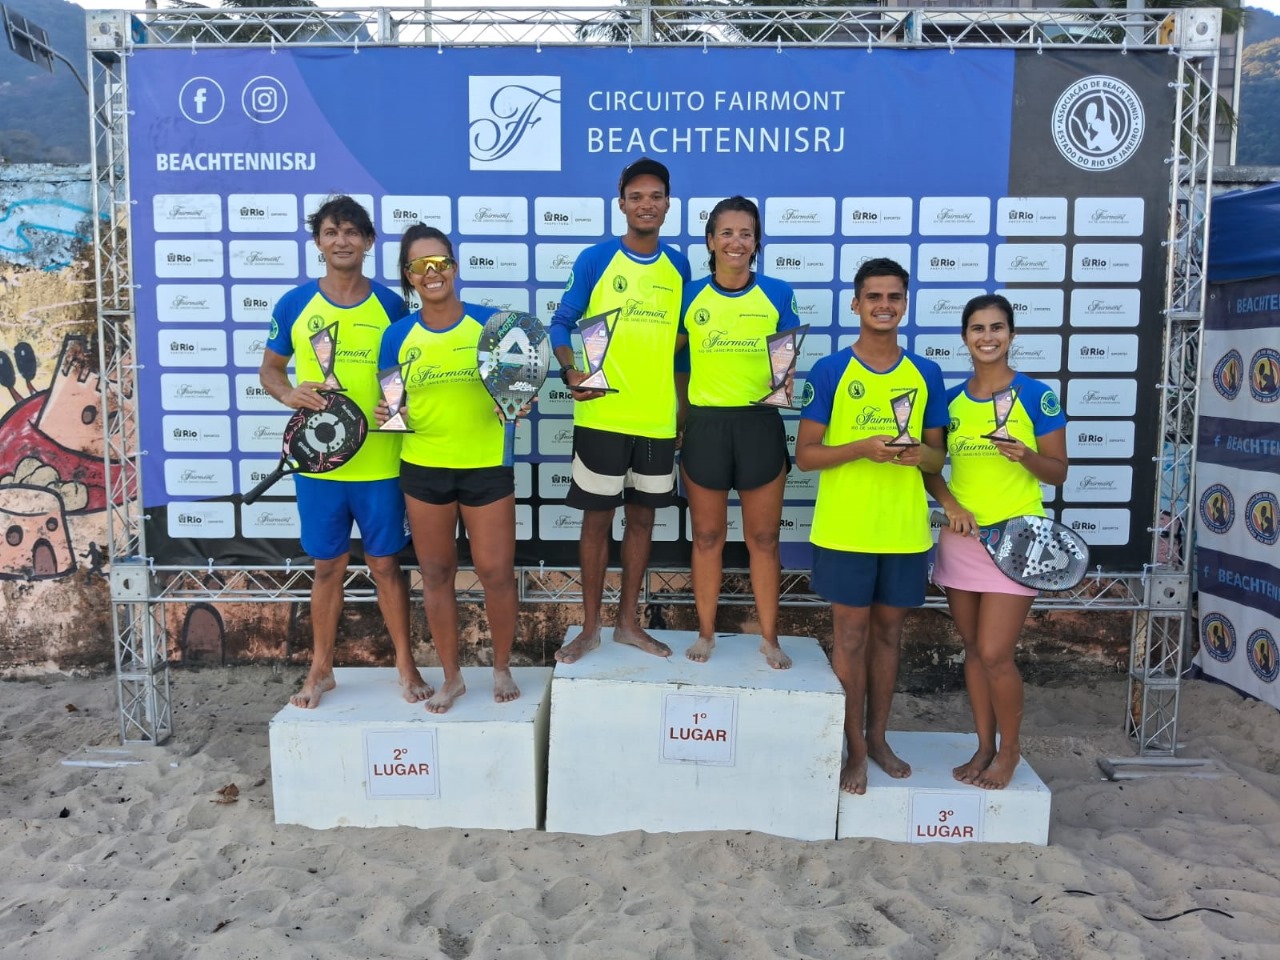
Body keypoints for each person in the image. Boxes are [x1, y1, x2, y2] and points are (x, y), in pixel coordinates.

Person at [259, 195, 430, 709]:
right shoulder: (294, 305)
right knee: (327, 566)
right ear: (318, 242)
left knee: (385, 566)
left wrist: (396, 412)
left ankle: (405, 665)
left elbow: (402, 377)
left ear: (369, 242)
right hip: (318, 465)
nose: (342, 241)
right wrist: (289, 394)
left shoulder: (392, 306)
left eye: (352, 232)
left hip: (380, 464)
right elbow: (271, 370)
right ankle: (321, 669)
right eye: (332, 232)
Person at [795, 257, 947, 795]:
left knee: (888, 636)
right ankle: (853, 749)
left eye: (894, 297)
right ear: (856, 304)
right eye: (874, 297)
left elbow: (937, 460)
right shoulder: (831, 370)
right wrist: (862, 448)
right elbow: (806, 456)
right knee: (850, 638)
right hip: (844, 530)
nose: (884, 306)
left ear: (905, 304)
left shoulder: (926, 373)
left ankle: (879, 738)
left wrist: (915, 456)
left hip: (904, 532)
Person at [549, 158, 691, 664]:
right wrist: (571, 374)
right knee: (596, 523)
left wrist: (682, 406)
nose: (646, 205)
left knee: (643, 523)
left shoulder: (679, 265)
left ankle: (628, 624)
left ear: (668, 204)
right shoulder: (596, 259)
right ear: (622, 203)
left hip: (655, 420)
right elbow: (561, 323)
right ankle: (589, 628)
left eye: (655, 196)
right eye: (636, 197)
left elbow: (684, 344)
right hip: (603, 416)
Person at [377, 224, 523, 713]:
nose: (432, 272)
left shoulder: (492, 325)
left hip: (485, 466)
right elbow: (392, 407)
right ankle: (453, 677)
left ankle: (501, 666)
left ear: (454, 269)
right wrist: (388, 415)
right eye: (421, 266)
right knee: (436, 574)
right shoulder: (397, 336)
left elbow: (520, 386)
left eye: (440, 262)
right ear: (409, 276)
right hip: (424, 469)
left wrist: (518, 403)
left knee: (496, 572)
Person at [925, 294, 1067, 790]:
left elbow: (1059, 471)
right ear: (964, 337)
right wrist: (951, 505)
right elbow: (930, 467)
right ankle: (983, 745)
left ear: (1012, 334)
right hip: (962, 539)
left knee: (994, 653)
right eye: (978, 329)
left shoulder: (1035, 395)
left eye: (997, 328)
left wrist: (1024, 455)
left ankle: (1010, 751)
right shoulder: (949, 400)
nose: (987, 337)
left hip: (1020, 543)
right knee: (971, 648)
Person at [674, 196, 797, 669]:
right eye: (726, 232)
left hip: (759, 425)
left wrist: (782, 382)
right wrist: (680, 413)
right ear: (711, 241)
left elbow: (785, 361)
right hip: (706, 425)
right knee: (707, 537)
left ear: (757, 241)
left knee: (763, 540)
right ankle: (706, 634)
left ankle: (770, 639)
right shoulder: (690, 296)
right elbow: (669, 358)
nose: (736, 241)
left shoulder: (777, 293)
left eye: (745, 233)